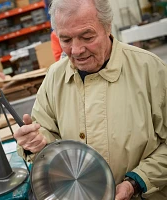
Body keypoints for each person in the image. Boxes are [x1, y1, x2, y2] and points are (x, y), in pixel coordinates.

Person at [14, 0, 167, 199]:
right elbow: (45, 132)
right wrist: (34, 142)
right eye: (66, 40)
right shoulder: (54, 77)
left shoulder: (150, 69)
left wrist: (136, 181)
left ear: (107, 26)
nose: (76, 50)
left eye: (87, 37)